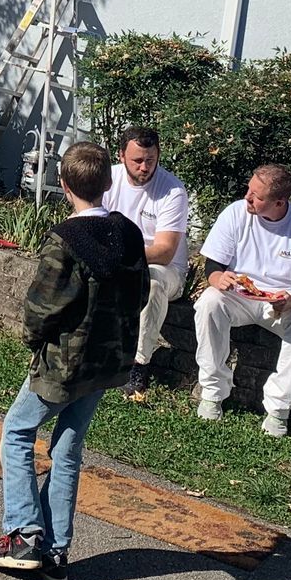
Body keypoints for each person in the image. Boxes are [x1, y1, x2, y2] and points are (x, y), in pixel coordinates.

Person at [0, 141, 149, 580]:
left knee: (17, 432)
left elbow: (43, 307)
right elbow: (142, 295)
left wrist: (34, 341)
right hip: (106, 362)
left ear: (63, 184)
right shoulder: (129, 234)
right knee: (67, 450)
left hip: (64, 362)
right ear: (109, 182)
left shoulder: (65, 241)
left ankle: (23, 535)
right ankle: (56, 554)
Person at [192, 164, 291, 436]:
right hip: (239, 295)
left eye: (256, 196)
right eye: (249, 189)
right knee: (209, 302)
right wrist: (219, 279)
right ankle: (212, 393)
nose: (248, 197)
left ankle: (278, 410)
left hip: (283, 302)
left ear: (280, 202)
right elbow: (213, 265)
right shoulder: (235, 213)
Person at [100, 126, 190, 400]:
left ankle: (138, 365)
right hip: (120, 261)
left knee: (150, 281)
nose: (144, 167)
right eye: (137, 160)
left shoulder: (172, 191)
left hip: (166, 270)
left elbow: (164, 251)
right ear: (121, 156)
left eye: (151, 160)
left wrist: (119, 257)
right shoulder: (108, 179)